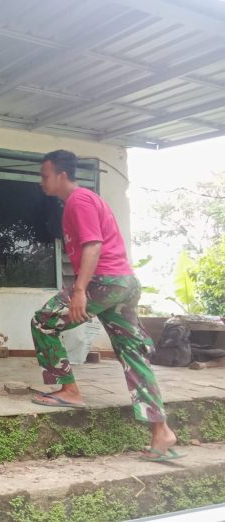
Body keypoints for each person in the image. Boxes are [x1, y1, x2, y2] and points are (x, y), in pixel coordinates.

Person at [30, 150, 181, 461]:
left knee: (43, 321)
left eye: (45, 175)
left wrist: (80, 290)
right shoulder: (83, 200)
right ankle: (161, 431)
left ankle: (69, 390)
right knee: (131, 352)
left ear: (61, 175)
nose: (41, 181)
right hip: (123, 283)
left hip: (105, 282)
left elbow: (93, 245)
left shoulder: (79, 201)